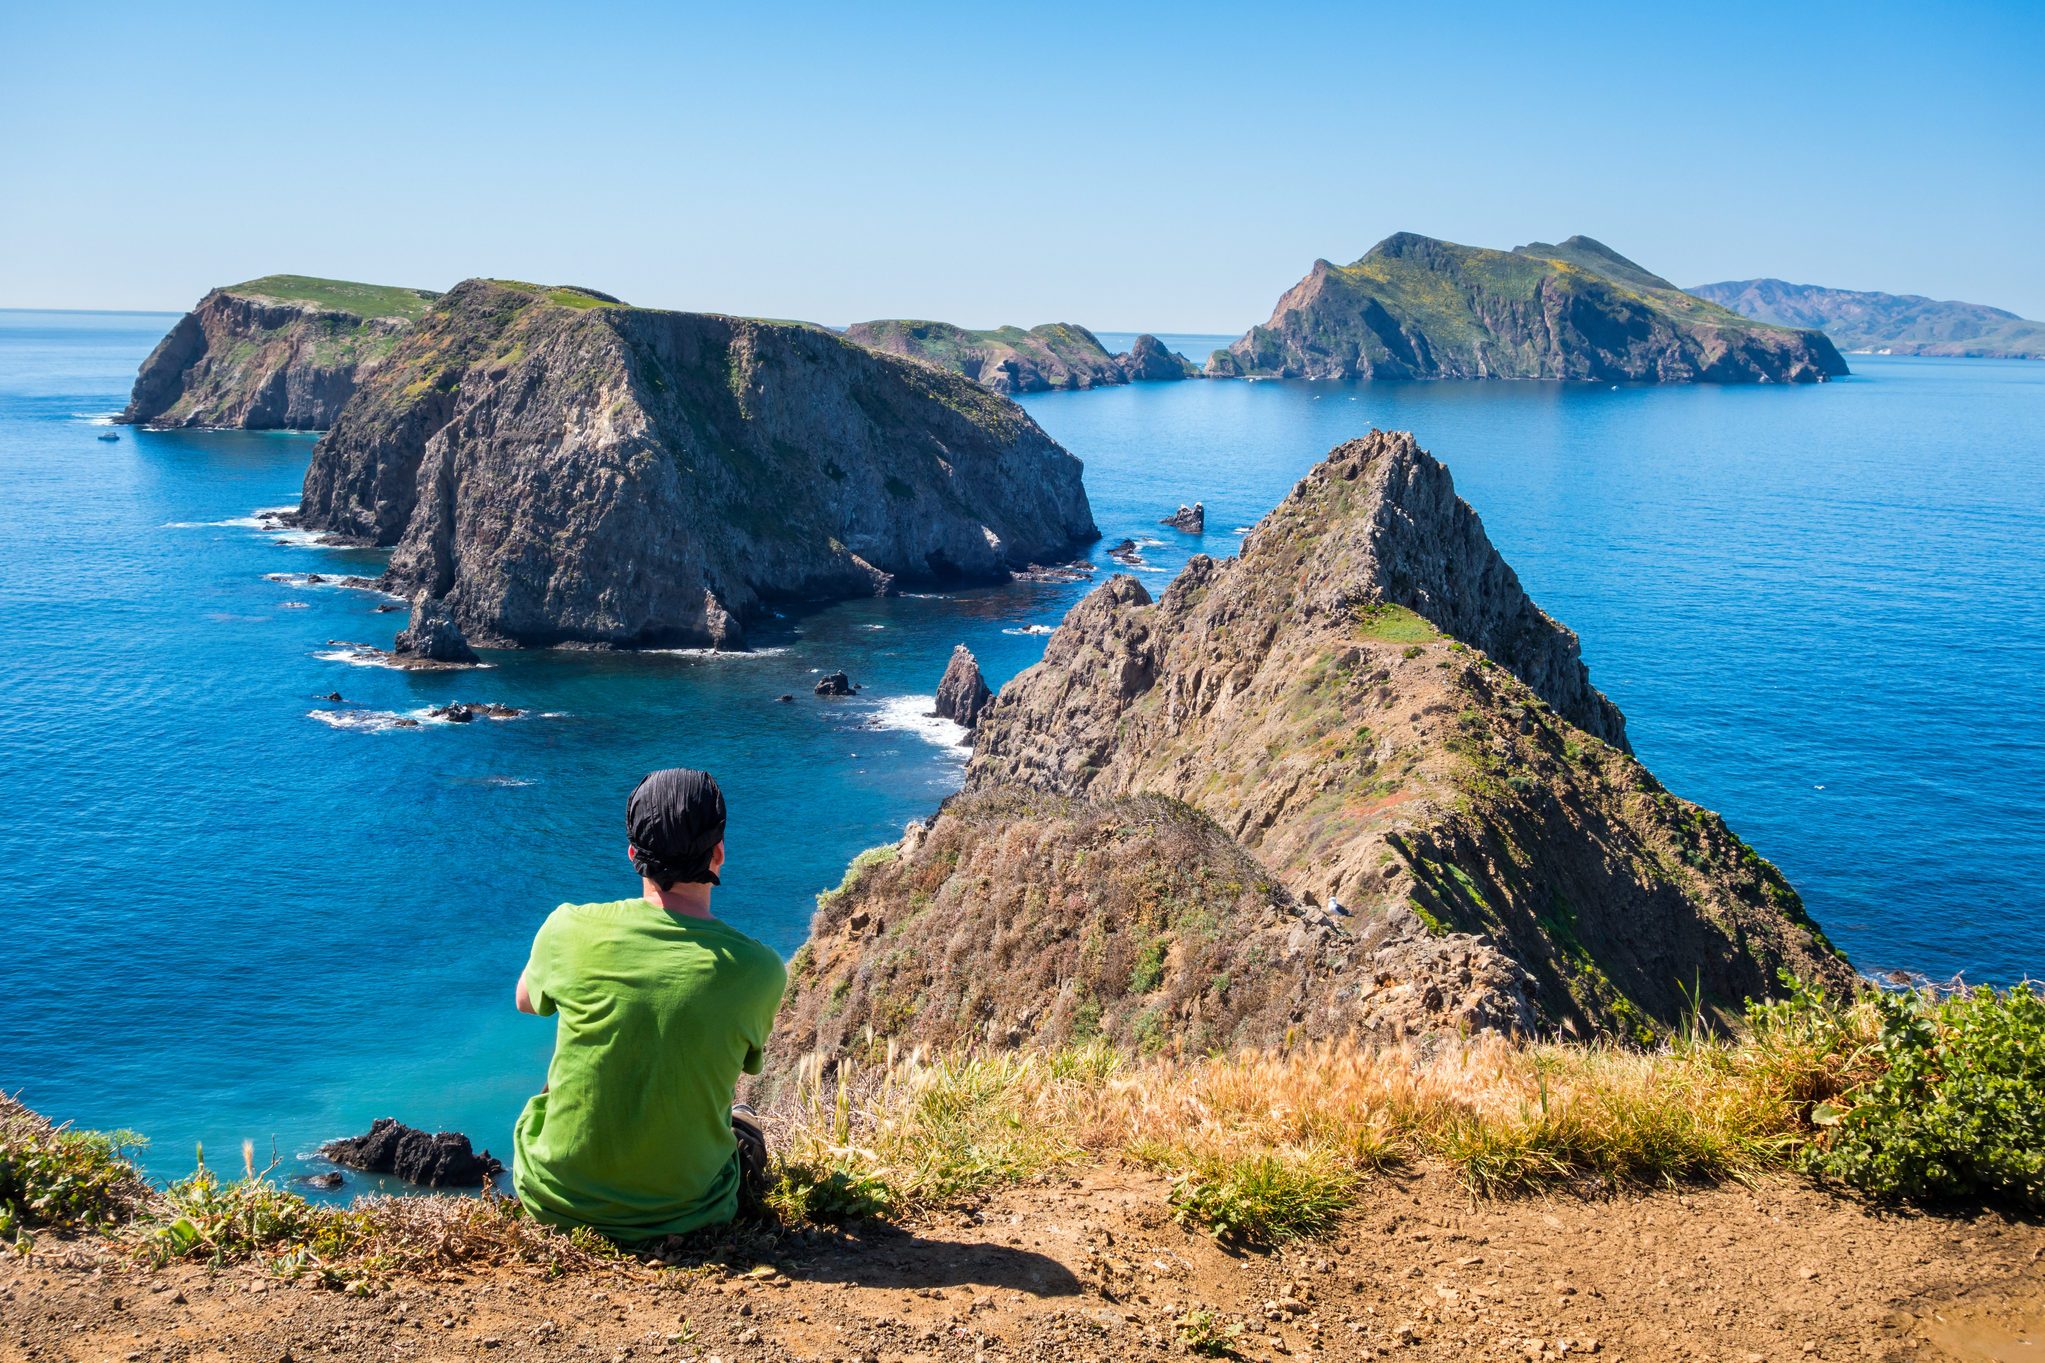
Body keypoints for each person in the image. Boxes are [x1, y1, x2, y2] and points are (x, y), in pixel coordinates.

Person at [511, 768, 786, 1240]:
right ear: (718, 853)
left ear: (634, 854)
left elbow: (526, 1002)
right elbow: (743, 1060)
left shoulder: (567, 928)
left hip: (553, 1200)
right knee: (743, 1121)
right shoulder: (760, 969)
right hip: (691, 1210)